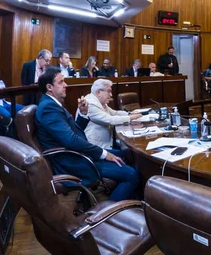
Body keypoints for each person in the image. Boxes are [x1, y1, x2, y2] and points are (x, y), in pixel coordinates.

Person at [34, 68, 139, 202]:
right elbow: (70, 140)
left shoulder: (51, 104)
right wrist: (104, 154)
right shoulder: (48, 109)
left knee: (125, 154)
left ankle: (131, 200)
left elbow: (73, 132)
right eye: (61, 82)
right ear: (49, 87)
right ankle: (107, 211)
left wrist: (83, 113)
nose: (65, 85)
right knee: (132, 175)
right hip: (74, 160)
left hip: (79, 153)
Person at [81, 79, 141, 150]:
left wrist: (129, 113)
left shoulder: (99, 101)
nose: (111, 95)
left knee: (129, 149)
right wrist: (132, 117)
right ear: (98, 92)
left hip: (109, 143)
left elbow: (114, 113)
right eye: (109, 91)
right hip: (98, 148)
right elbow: (110, 120)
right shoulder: (90, 104)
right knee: (128, 153)